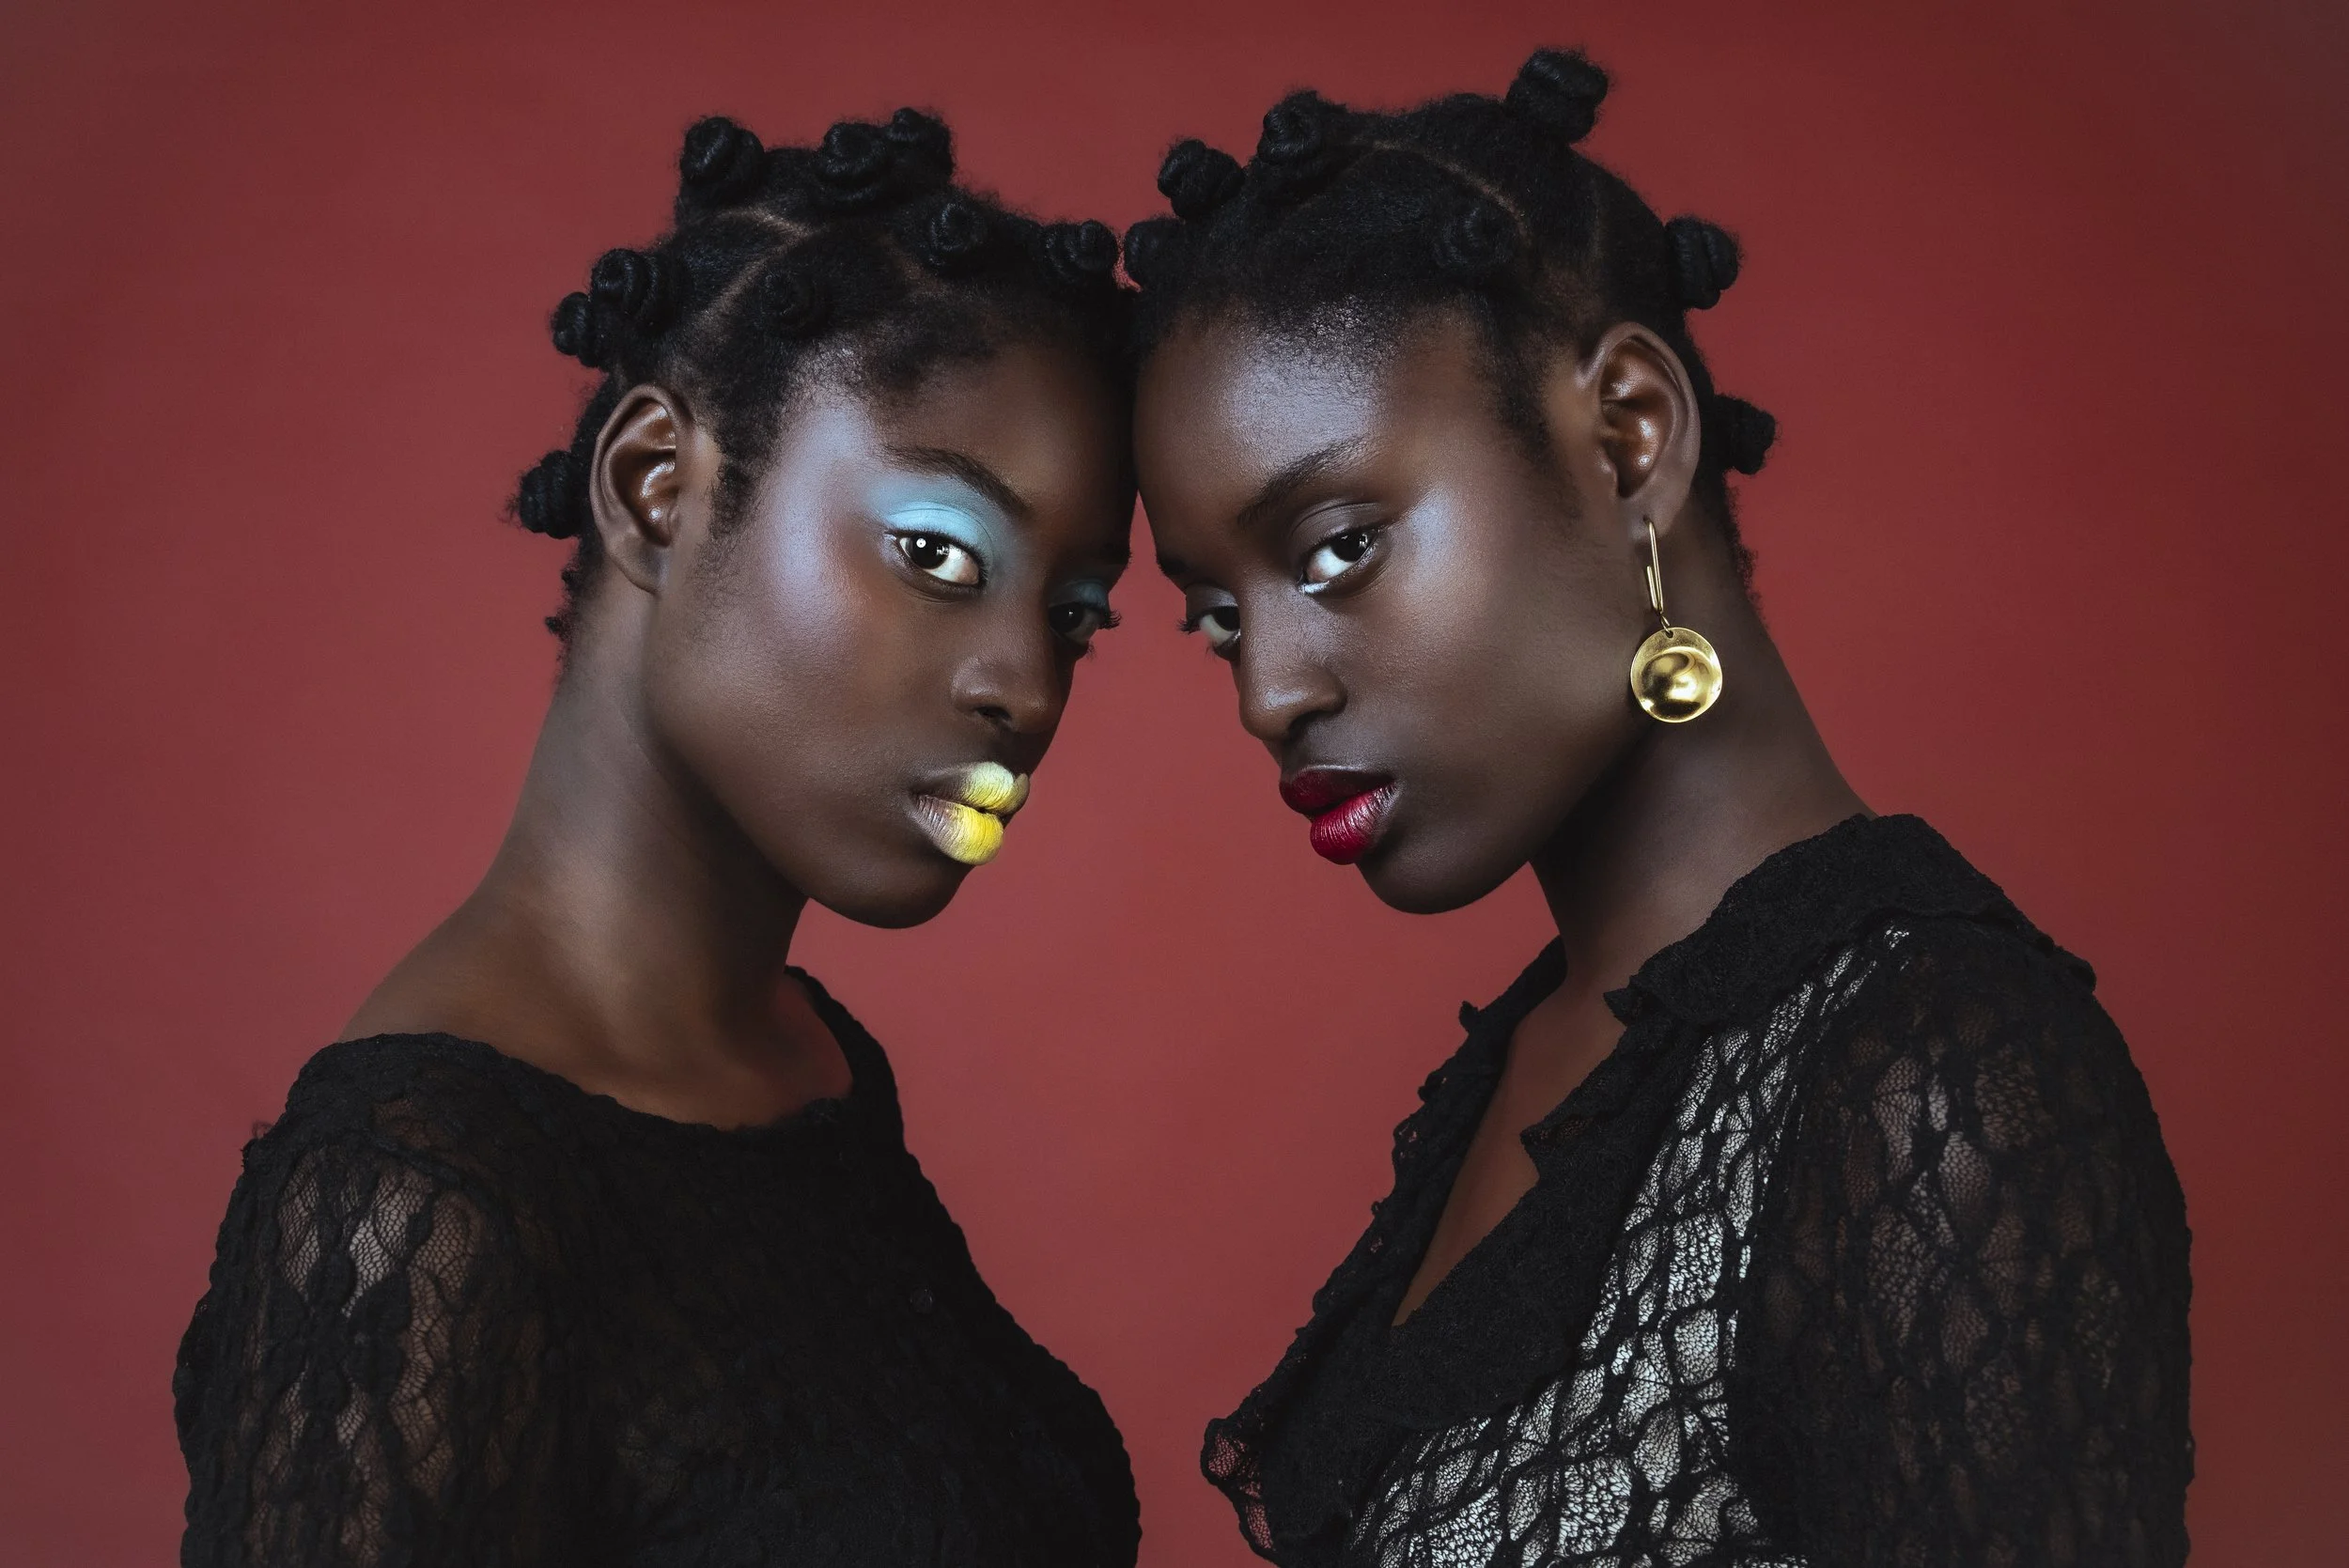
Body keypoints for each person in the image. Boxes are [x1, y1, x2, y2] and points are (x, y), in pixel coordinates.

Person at [1124, 49, 2191, 1568]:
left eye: (1342, 545)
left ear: (1628, 437)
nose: (1269, 690)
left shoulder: (1928, 1082)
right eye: (1217, 618)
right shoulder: (1545, 1065)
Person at [174, 108, 1141, 1567]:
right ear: (654, 488)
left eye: (1075, 614)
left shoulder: (804, 1065)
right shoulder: (407, 1207)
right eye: (940, 554)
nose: (1027, 682)